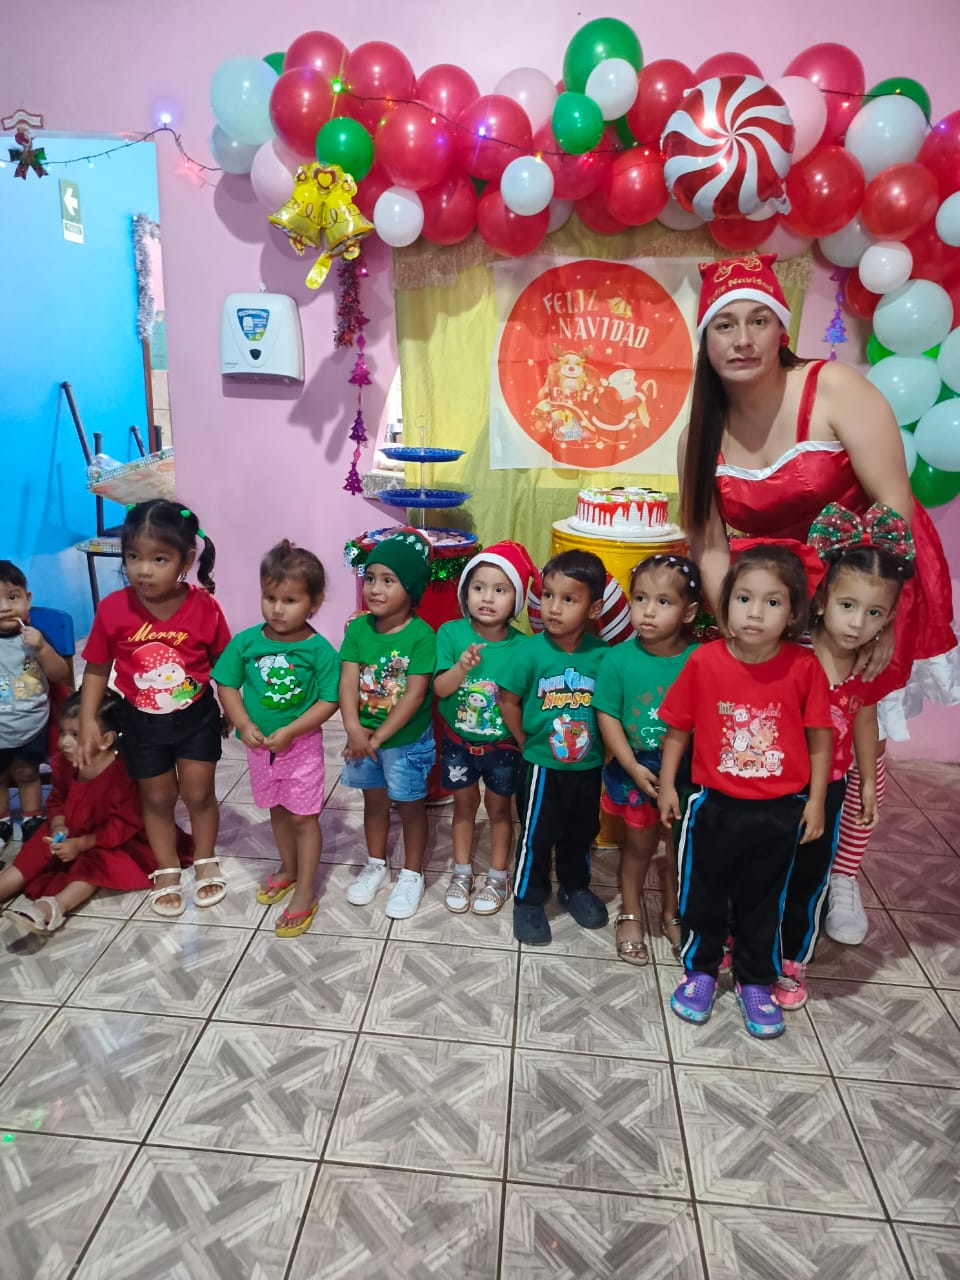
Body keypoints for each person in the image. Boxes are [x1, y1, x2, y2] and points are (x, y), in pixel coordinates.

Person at [678, 252, 958, 946]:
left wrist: (881, 621)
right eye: (724, 326)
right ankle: (783, 864)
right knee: (778, 737)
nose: (742, 339)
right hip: (772, 601)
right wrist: (736, 628)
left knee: (854, 736)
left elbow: (893, 506)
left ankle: (844, 874)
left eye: (758, 321)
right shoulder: (699, 433)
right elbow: (710, 544)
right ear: (705, 343)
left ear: (782, 329)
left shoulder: (834, 389)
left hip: (862, 587)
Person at [658, 545, 833, 1040]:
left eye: (772, 602)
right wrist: (668, 784)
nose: (755, 612)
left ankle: (755, 979)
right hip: (713, 806)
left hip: (779, 812)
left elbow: (820, 737)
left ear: (794, 614)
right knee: (704, 894)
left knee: (764, 900)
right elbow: (677, 729)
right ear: (725, 604)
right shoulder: (704, 661)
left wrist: (817, 800)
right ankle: (701, 970)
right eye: (744, 598)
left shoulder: (804, 667)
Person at [776, 504, 914, 1007]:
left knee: (809, 873)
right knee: (763, 866)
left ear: (890, 618)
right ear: (822, 601)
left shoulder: (866, 666)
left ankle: (792, 958)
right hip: (775, 784)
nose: (858, 623)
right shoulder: (791, 653)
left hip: (830, 787)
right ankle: (741, 938)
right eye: (848, 605)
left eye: (874, 613)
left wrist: (869, 784)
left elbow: (865, 719)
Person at [78, 500, 231, 918]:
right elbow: (97, 667)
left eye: (159, 559)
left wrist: (234, 709)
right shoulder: (113, 609)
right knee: (158, 797)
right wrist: (89, 719)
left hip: (196, 717)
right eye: (133, 557)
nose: (143, 570)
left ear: (187, 560)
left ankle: (205, 857)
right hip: (141, 722)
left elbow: (223, 664)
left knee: (198, 792)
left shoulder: (205, 607)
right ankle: (166, 867)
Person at [213, 541, 340, 938]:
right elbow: (226, 683)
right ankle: (287, 868)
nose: (277, 609)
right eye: (270, 598)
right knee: (278, 810)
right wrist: (242, 721)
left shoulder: (318, 650)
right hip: (259, 749)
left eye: (290, 600)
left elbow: (330, 700)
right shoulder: (247, 642)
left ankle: (306, 891)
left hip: (301, 748)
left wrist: (292, 731)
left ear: (314, 603)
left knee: (303, 817)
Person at [0, 691, 188, 933]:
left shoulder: (126, 773)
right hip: (70, 829)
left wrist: (81, 844)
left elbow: (124, 824)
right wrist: (58, 825)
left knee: (96, 865)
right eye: (63, 732)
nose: (65, 742)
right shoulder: (65, 763)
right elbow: (57, 799)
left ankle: (52, 908)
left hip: (113, 839)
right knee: (36, 849)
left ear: (107, 739)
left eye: (76, 735)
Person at [594, 553, 700, 966]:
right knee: (638, 846)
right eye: (640, 599)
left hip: (687, 770)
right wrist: (632, 766)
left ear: (688, 611)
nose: (648, 611)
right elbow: (607, 716)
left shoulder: (700, 659)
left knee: (678, 847)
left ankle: (674, 912)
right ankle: (631, 912)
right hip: (636, 767)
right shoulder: (617, 659)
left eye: (663, 601)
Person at [499, 549, 609, 946]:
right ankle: (529, 900)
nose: (554, 608)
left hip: (588, 766)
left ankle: (575, 888)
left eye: (568, 599)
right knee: (537, 834)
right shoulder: (529, 651)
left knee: (581, 832)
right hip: (542, 767)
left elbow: (611, 709)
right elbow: (507, 700)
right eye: (548, 595)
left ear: (593, 607)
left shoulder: (602, 656)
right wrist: (524, 740)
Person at [434, 541, 539, 917]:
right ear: (465, 592)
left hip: (503, 749)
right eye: (479, 587)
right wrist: (461, 667)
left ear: (517, 599)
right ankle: (461, 872)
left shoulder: (524, 647)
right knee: (464, 808)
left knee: (499, 811)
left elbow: (525, 703)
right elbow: (440, 689)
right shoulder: (450, 634)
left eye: (500, 589)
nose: (488, 598)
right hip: (458, 744)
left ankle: (497, 876)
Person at [340, 529, 437, 920]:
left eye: (388, 580)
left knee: (410, 806)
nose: (375, 589)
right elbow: (348, 680)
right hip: (363, 739)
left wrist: (377, 737)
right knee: (374, 803)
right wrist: (353, 729)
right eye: (370, 578)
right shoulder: (358, 629)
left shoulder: (422, 636)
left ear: (410, 589)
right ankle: (376, 864)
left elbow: (414, 695)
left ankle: (412, 875)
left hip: (405, 741)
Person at [0, 560, 71, 848]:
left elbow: (60, 674)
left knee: (27, 772)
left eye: (12, 597)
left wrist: (41, 648)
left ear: (27, 599)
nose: (4, 607)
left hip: (31, 723)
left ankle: (32, 818)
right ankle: (3, 822)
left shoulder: (37, 638)